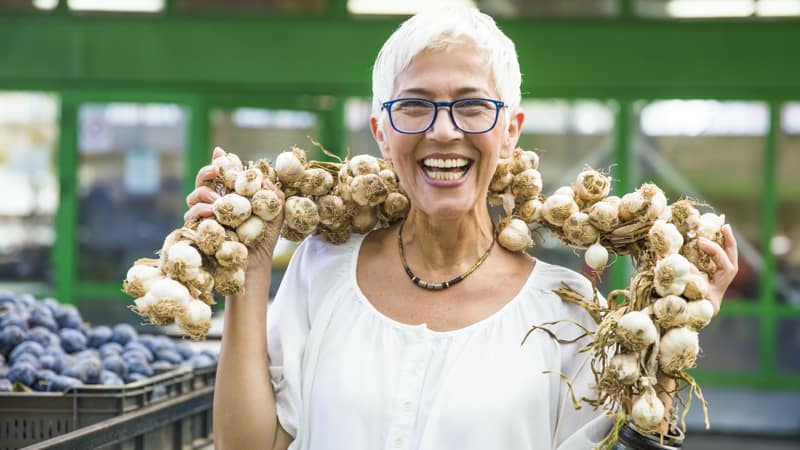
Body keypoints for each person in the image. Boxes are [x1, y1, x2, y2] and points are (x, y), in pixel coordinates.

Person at [184, 7, 739, 450]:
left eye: (472, 106)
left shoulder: (566, 311)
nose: (444, 132)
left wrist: (665, 356)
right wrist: (248, 272)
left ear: (510, 132)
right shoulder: (321, 269)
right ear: (382, 131)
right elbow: (248, 446)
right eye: (415, 106)